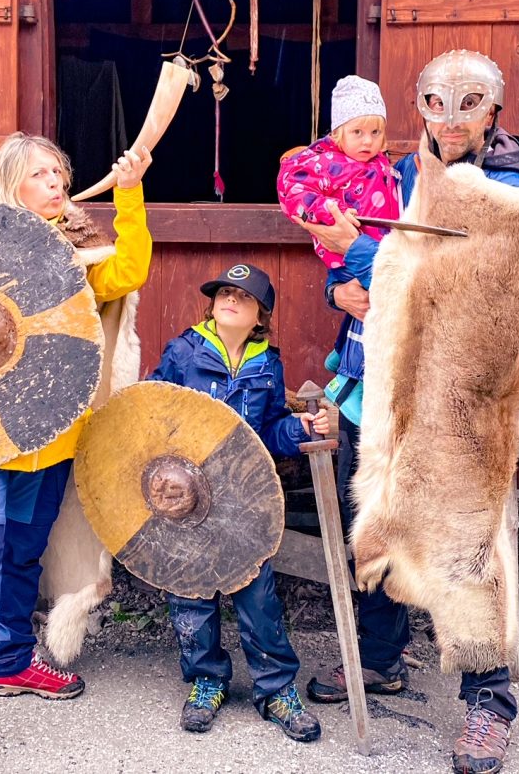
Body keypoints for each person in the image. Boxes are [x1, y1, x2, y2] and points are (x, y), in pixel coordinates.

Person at [293, 50, 519, 774]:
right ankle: (378, 660)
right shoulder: (399, 172)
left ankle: (488, 700)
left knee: (464, 544)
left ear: (493, 109)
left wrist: (360, 260)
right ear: (420, 104)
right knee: (379, 524)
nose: (451, 116)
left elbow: (459, 279)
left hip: (456, 389)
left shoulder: (509, 183)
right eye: (436, 101)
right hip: (378, 380)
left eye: (468, 102)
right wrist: (338, 288)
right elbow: (369, 257)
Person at [0, 133, 153, 774]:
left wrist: (131, 193)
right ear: (8, 185)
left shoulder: (81, 254)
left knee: (23, 550)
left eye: (60, 171)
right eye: (39, 174)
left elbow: (128, 270)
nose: (56, 181)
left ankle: (9, 660)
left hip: (49, 436)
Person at [147, 263, 329, 743]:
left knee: (257, 593)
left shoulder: (267, 363)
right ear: (212, 304)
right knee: (190, 592)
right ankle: (207, 680)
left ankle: (276, 689)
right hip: (184, 497)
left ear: (259, 315)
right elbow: (148, 411)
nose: (231, 300)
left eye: (243, 297)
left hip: (242, 497)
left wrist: (299, 430)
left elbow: (267, 432)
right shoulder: (183, 352)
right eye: (224, 293)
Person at [277, 75, 401, 270]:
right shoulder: (328, 163)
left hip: (381, 254)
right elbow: (294, 194)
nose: (368, 141)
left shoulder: (380, 163)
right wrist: (331, 210)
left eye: (375, 132)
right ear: (338, 134)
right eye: (357, 132)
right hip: (348, 262)